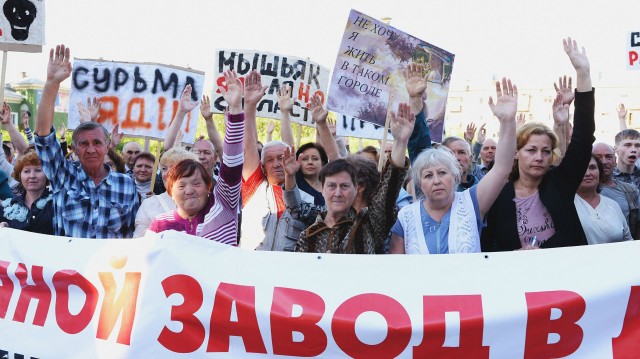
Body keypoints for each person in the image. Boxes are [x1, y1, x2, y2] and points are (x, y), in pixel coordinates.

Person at [482, 38, 595, 251]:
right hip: (518, 279)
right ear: (516, 153)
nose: (539, 157)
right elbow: (488, 244)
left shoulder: (560, 182)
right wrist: (514, 254)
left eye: (545, 151)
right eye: (531, 150)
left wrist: (583, 73)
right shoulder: (497, 193)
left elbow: (583, 135)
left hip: (567, 275)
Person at [390, 77, 517, 254]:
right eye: (428, 175)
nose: (436, 181)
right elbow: (397, 269)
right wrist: (400, 141)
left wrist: (508, 122)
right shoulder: (406, 216)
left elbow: (502, 169)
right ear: (419, 182)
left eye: (442, 173)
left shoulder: (472, 202)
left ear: (454, 176)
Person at [34, 44, 139, 238]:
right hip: (67, 268)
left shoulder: (126, 185)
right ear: (73, 148)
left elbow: (130, 236)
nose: (91, 149)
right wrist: (52, 83)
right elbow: (43, 136)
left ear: (107, 146)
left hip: (109, 268)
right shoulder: (63, 176)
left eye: (97, 143)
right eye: (84, 144)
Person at [294, 101, 413, 254]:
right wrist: (321, 124)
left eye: (344, 186)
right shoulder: (309, 234)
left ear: (357, 187)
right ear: (322, 188)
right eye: (331, 186)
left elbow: (389, 186)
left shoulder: (368, 223)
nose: (337, 193)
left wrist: (401, 142)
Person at [149, 70, 245, 244]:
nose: (189, 190)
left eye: (196, 183)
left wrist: (236, 109)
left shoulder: (223, 207)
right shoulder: (159, 224)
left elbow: (232, 162)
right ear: (170, 191)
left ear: (208, 185)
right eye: (181, 185)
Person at [239, 70, 315, 250]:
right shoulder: (253, 188)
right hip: (249, 271)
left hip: (286, 274)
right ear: (262, 166)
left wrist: (285, 113)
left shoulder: (306, 200)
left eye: (281, 158)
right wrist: (249, 107)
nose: (277, 164)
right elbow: (249, 147)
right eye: (270, 160)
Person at [133, 147, 197, 236]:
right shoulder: (149, 204)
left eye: (174, 167)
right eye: (164, 168)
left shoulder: (205, 203)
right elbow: (139, 243)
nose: (166, 174)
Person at [575, 155, 632, 244]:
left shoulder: (613, 205)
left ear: (599, 173)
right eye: (581, 168)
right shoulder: (566, 205)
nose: (587, 173)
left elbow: (628, 240)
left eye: (592, 168)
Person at [592, 142, 640, 239]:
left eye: (608, 157)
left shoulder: (631, 190)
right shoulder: (580, 191)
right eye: (598, 157)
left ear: (615, 160)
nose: (604, 162)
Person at [0, 152, 53, 233]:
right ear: (20, 175)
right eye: (26, 171)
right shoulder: (7, 208)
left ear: (47, 174)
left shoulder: (57, 203)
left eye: (38, 170)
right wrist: (5, 228)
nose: (32, 176)